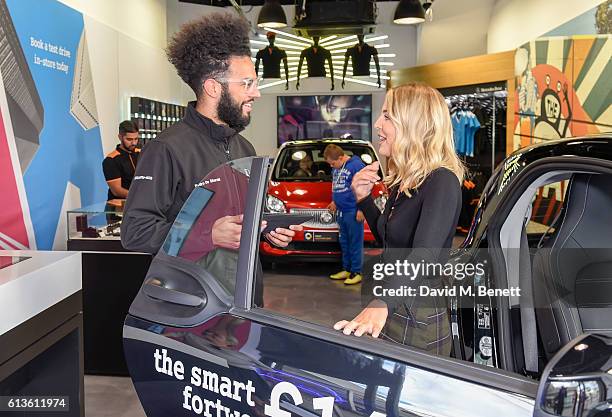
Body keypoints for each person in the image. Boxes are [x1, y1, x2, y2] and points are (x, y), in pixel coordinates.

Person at [121, 12, 298, 255]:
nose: (256, 94)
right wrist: (206, 235)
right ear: (213, 87)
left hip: (243, 289)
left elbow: (241, 221)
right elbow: (136, 232)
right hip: (192, 290)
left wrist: (268, 229)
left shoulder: (244, 148)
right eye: (247, 84)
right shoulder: (166, 149)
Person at [334, 82, 465, 356]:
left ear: (413, 124)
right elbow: (389, 239)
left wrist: (382, 302)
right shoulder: (405, 181)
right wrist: (363, 199)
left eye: (387, 116)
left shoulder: (442, 181)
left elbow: (425, 254)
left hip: (416, 317)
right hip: (393, 300)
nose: (378, 124)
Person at [324, 144, 366, 285]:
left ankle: (357, 271)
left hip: (353, 211)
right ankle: (347, 269)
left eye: (333, 163)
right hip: (341, 211)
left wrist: (361, 209)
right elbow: (338, 185)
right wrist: (334, 201)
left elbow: (364, 187)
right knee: (344, 242)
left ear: (341, 158)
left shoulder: (356, 165)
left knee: (355, 242)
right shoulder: (337, 168)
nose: (331, 166)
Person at [102, 120, 140, 200]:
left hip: (139, 205)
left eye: (136, 139)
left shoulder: (141, 153)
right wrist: (139, 197)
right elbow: (117, 191)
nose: (134, 143)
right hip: (118, 207)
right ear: (120, 137)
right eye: (129, 139)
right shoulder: (111, 160)